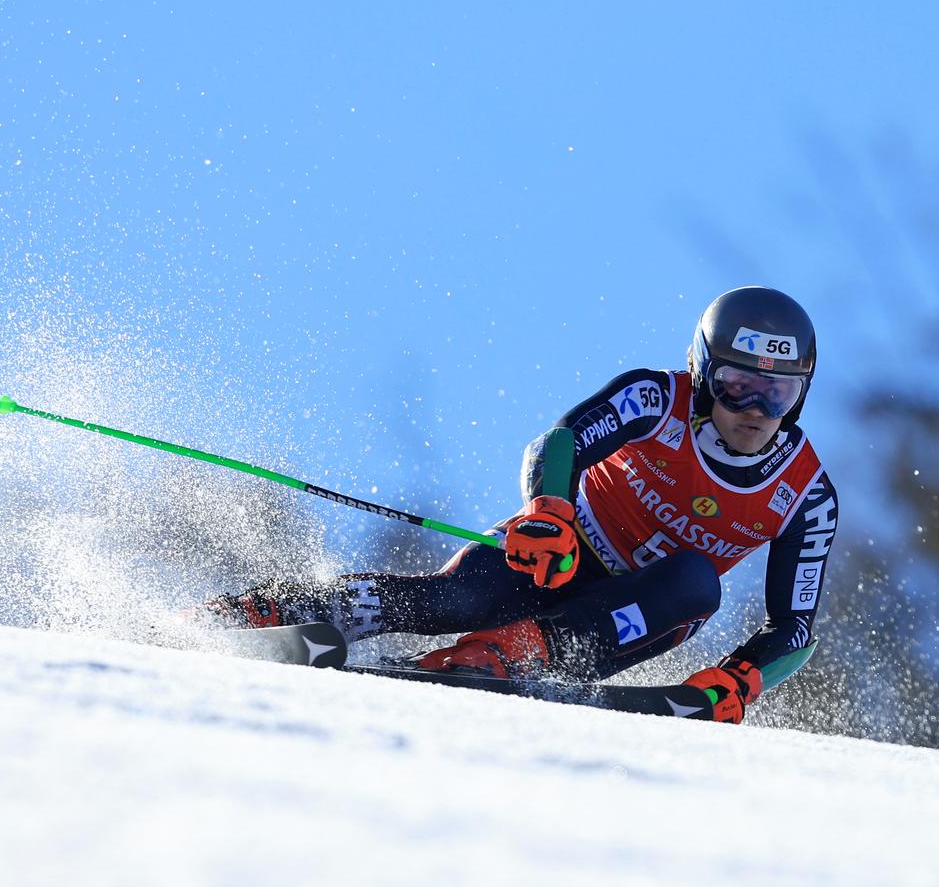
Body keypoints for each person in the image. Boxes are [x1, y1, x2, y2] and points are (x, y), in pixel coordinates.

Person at [203, 286, 839, 723]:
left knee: (698, 580)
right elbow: (560, 442)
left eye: (776, 394)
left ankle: (496, 657)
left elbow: (794, 628)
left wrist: (746, 678)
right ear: (703, 372)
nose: (755, 412)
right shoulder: (655, 398)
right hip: (559, 552)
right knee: (455, 599)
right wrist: (548, 511)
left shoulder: (806, 494)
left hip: (643, 611)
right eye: (737, 387)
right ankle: (274, 608)